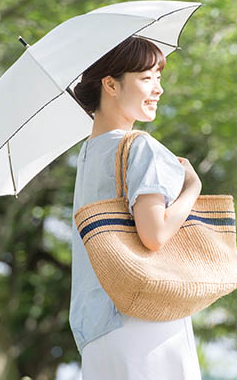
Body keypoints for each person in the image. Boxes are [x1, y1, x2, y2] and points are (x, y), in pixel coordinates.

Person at [70, 36, 203, 379]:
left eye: (158, 77)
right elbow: (154, 234)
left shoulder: (87, 157)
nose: (158, 89)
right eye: (147, 78)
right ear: (111, 84)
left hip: (96, 325)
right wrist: (193, 186)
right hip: (145, 322)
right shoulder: (141, 147)